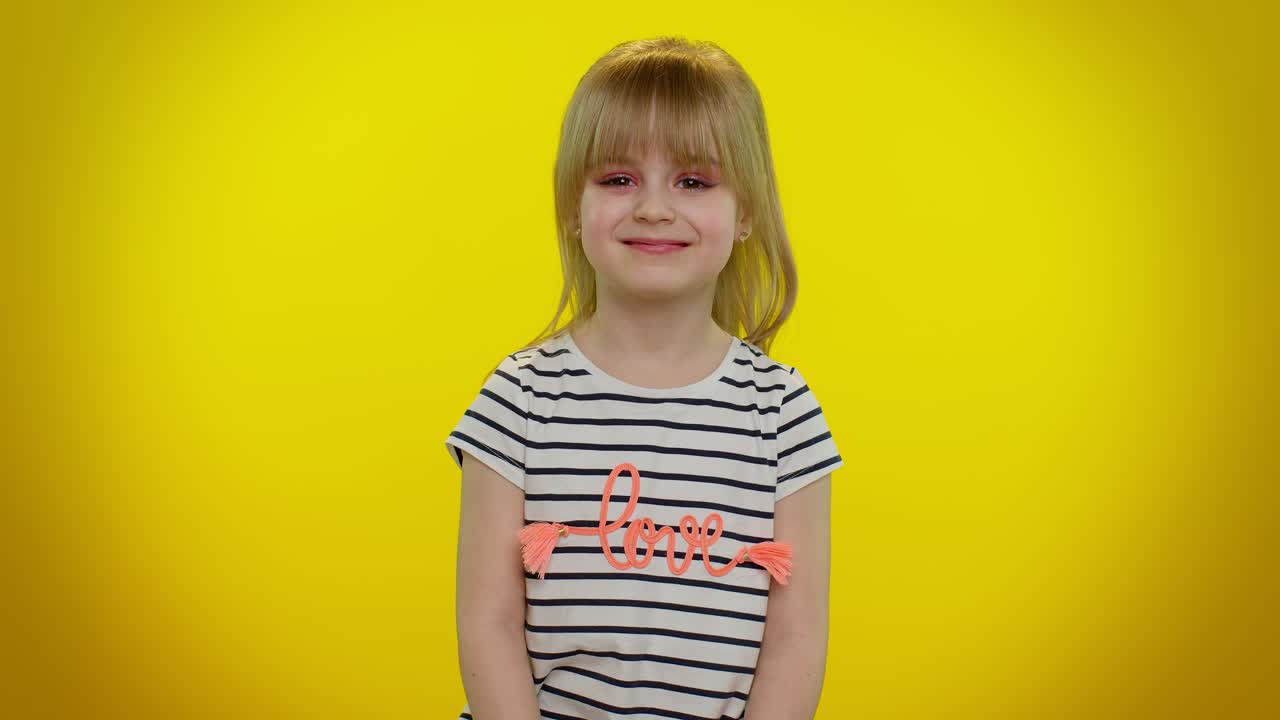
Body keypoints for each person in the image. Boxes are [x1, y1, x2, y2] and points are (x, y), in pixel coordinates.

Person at [446, 35, 843, 720]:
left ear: (745, 211)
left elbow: (796, 640)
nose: (654, 207)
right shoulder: (518, 399)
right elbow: (489, 626)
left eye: (694, 181)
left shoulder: (782, 412)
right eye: (618, 179)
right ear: (574, 206)